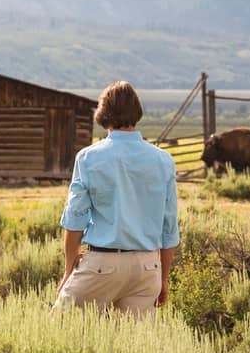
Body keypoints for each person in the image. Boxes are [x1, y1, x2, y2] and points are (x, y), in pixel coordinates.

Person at [54, 81, 179, 318]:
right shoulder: (163, 160)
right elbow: (169, 227)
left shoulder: (89, 157)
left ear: (103, 114)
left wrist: (69, 268)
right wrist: (163, 277)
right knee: (135, 349)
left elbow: (75, 219)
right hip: (147, 268)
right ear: (136, 112)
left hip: (102, 263)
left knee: (58, 328)